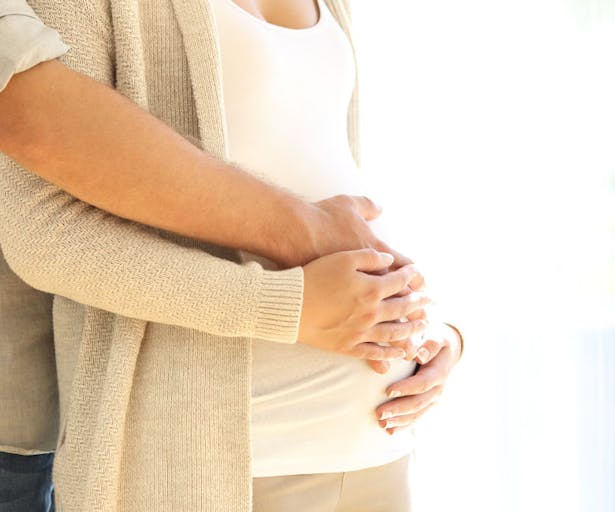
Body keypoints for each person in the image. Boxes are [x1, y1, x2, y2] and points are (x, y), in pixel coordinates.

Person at [0, 1, 462, 511]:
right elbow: (48, 232)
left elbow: (335, 183)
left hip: (376, 446)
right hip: (213, 461)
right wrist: (286, 306)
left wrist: (417, 317)